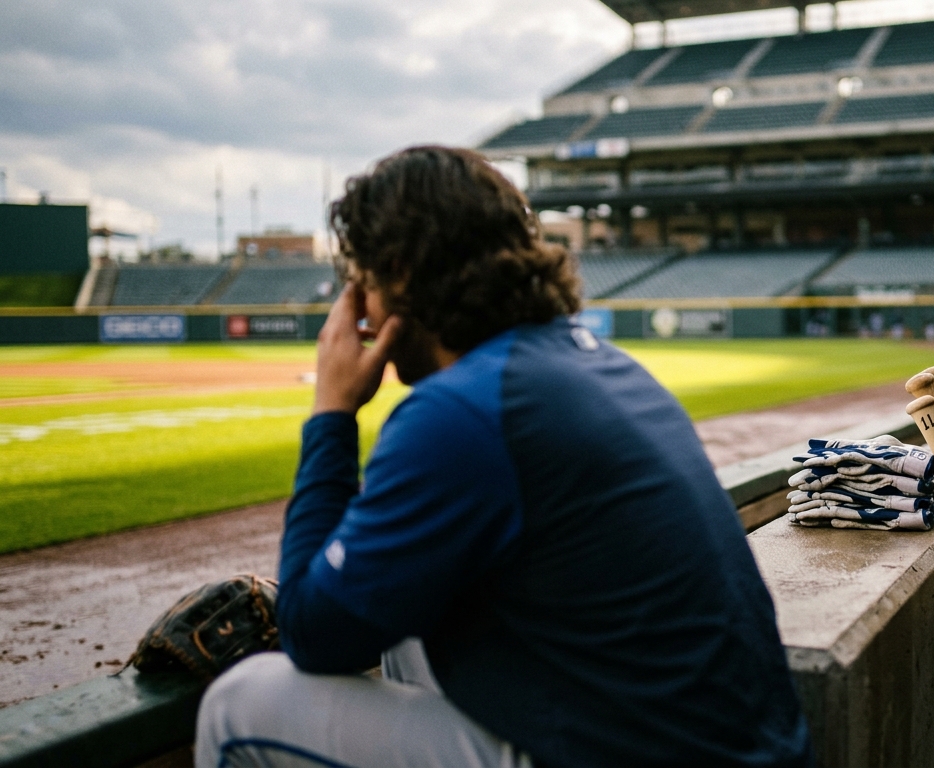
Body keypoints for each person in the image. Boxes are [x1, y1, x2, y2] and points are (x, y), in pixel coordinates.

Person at [195, 146, 812, 768]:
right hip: (743, 747)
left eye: (363, 282)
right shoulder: (604, 363)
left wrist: (331, 414)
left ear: (401, 273)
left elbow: (312, 633)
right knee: (413, 629)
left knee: (239, 707)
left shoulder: (460, 410)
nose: (360, 307)